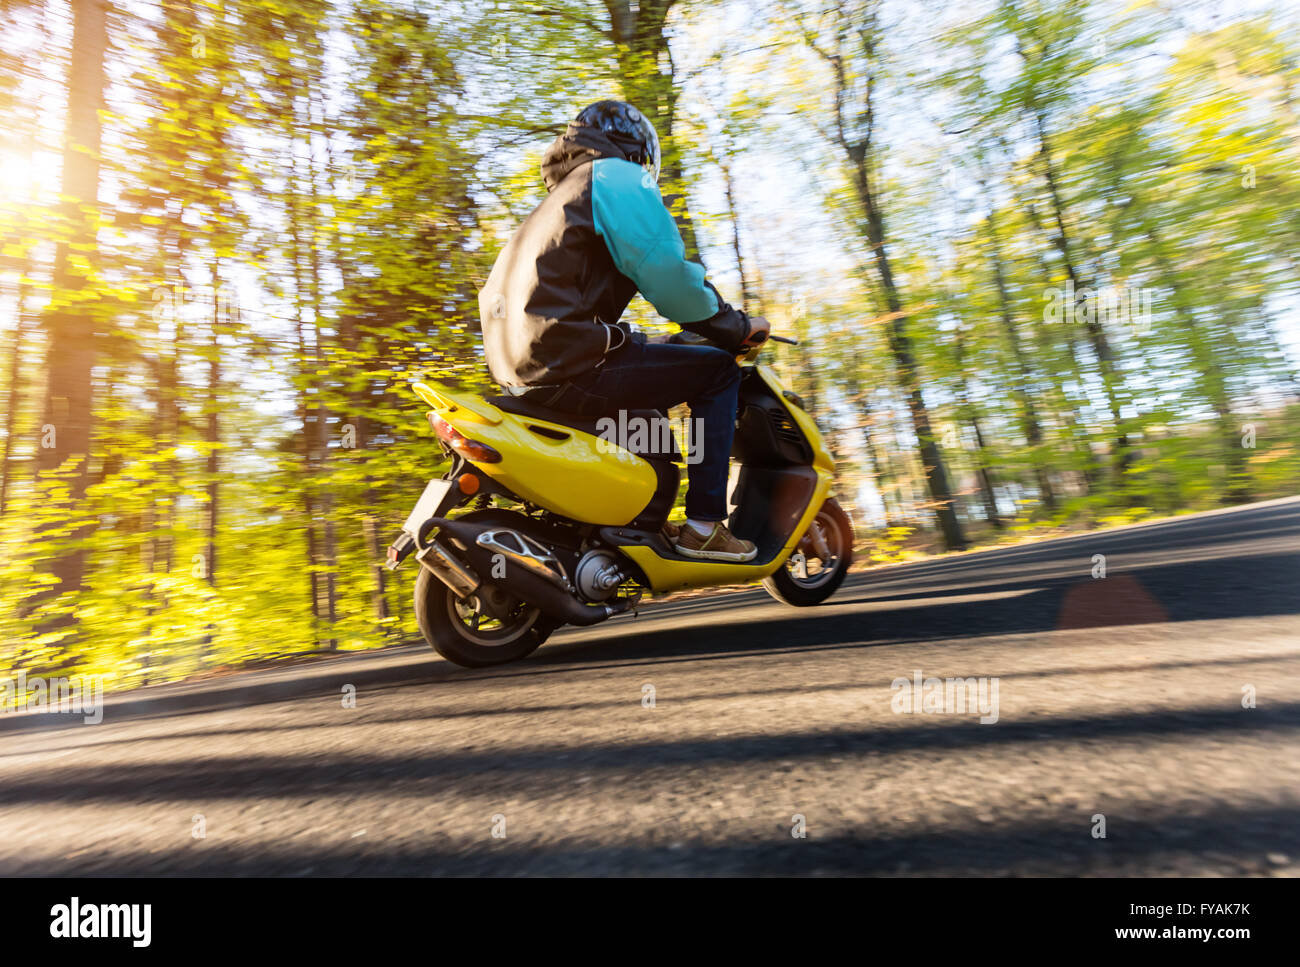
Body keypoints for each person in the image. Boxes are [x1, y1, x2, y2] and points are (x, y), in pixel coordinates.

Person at [478, 100, 770, 562]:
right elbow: (668, 275)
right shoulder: (613, 176)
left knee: (651, 396)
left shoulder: (551, 204)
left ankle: (622, 525)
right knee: (717, 373)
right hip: (569, 360)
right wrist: (733, 326)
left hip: (520, 368)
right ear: (635, 147)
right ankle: (705, 526)